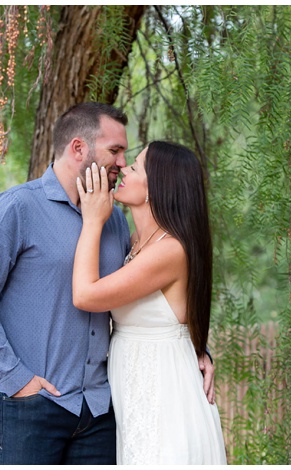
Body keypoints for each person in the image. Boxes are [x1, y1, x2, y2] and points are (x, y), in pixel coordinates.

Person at [0, 103, 215, 465]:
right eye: (115, 151)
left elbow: (153, 297)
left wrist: (195, 349)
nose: (122, 163)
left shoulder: (116, 224)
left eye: (126, 154)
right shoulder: (18, 208)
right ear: (79, 149)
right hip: (31, 404)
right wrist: (16, 379)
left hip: (100, 410)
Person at [72, 141, 227, 464]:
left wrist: (91, 222)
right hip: (136, 391)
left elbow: (85, 295)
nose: (123, 169)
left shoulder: (170, 251)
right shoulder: (136, 243)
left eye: (136, 167)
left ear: (157, 187)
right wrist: (200, 349)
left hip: (165, 395)